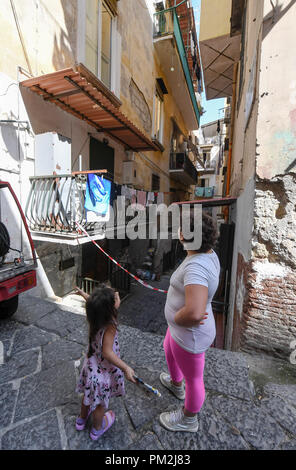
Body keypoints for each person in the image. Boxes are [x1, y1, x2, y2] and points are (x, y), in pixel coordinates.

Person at [159, 211, 220, 432]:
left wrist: (176, 318)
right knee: (168, 348)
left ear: (185, 235)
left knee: (194, 379)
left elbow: (194, 313)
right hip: (180, 331)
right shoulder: (204, 253)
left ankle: (188, 419)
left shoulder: (197, 266)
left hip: (189, 334)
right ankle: (176, 385)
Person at [74, 283, 136, 441]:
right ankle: (97, 429)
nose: (117, 295)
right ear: (111, 308)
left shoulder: (95, 315)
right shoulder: (111, 324)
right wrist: (125, 367)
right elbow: (107, 352)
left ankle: (81, 420)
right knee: (100, 404)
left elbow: (93, 303)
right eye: (115, 297)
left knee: (88, 393)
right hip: (102, 372)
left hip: (91, 366)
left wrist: (83, 294)